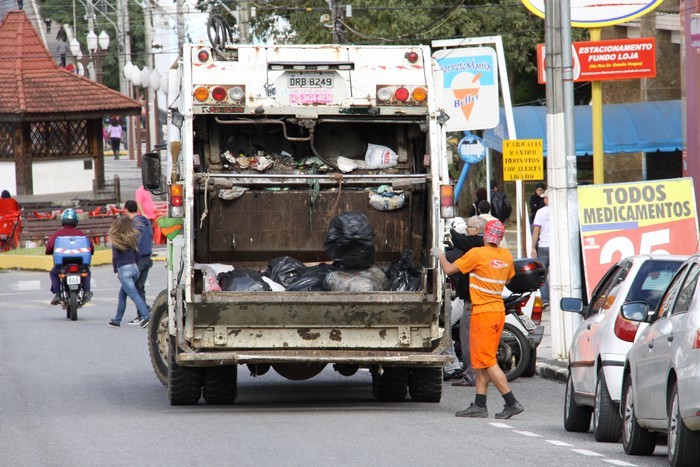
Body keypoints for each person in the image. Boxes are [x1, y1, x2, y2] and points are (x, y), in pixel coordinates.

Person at [431, 220, 525, 419]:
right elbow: (507, 279)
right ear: (499, 238)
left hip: (482, 313)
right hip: (497, 311)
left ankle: (511, 402)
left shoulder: (477, 254)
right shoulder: (507, 256)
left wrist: (440, 256)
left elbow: (449, 270)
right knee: (481, 361)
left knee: (488, 361)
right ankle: (480, 405)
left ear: (485, 235)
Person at [446, 215, 486, 387]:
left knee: (464, 336)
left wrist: (448, 231)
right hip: (480, 301)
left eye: (469, 227)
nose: (466, 230)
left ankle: (469, 374)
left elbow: (450, 268)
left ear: (477, 230)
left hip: (472, 301)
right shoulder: (487, 248)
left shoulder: (476, 244)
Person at [107, 216, 151, 328]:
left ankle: (146, 317)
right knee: (122, 295)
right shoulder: (132, 238)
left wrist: (115, 270)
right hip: (134, 268)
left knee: (134, 295)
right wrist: (134, 264)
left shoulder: (116, 240)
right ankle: (117, 320)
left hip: (124, 270)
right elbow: (137, 254)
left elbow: (115, 258)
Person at [45, 209, 94, 305]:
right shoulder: (81, 234)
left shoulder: (58, 234)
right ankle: (87, 292)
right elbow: (91, 248)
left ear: (63, 220)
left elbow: (49, 247)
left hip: (62, 265)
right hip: (80, 264)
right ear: (76, 221)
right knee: (86, 272)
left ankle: (58, 295)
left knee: (54, 274)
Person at [123, 200, 153, 325]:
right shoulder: (146, 222)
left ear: (125, 210)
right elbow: (150, 235)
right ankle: (143, 313)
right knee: (139, 287)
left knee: (132, 288)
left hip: (139, 259)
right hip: (147, 257)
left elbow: (136, 243)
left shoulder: (134, 224)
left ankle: (144, 312)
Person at [531, 189, 551, 308]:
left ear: (547, 199)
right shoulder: (562, 210)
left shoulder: (540, 212)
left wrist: (533, 247)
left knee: (542, 273)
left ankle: (544, 299)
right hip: (558, 247)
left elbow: (536, 230)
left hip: (543, 246)